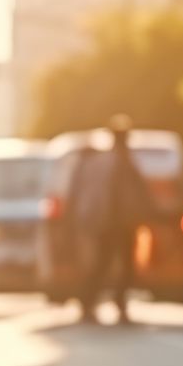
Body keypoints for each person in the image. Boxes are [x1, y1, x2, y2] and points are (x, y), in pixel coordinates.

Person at [70, 115, 154, 324]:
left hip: (123, 223)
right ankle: (89, 302)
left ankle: (115, 302)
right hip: (109, 222)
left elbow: (140, 192)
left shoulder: (123, 161)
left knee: (122, 266)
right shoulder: (108, 162)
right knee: (103, 264)